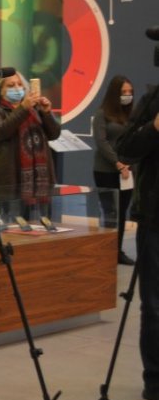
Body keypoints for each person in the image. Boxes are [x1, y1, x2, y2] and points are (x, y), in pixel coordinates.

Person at [116, 84, 159, 400]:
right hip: (154, 221)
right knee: (155, 306)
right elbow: (125, 149)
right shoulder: (153, 100)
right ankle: (155, 382)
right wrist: (154, 128)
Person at [0, 71, 61, 221]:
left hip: (38, 179)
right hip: (11, 177)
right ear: (0, 90)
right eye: (11, 85)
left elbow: (54, 134)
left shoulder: (35, 108)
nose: (17, 88)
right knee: (13, 224)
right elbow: (0, 131)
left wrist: (47, 113)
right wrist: (23, 108)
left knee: (38, 225)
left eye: (20, 84)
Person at [92, 75, 135, 264]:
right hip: (106, 171)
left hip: (127, 172)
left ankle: (118, 251)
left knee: (122, 211)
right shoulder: (102, 113)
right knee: (110, 212)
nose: (127, 95)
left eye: (130, 92)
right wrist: (117, 163)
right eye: (123, 92)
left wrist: (129, 163)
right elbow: (101, 142)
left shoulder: (131, 115)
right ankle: (107, 250)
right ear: (114, 93)